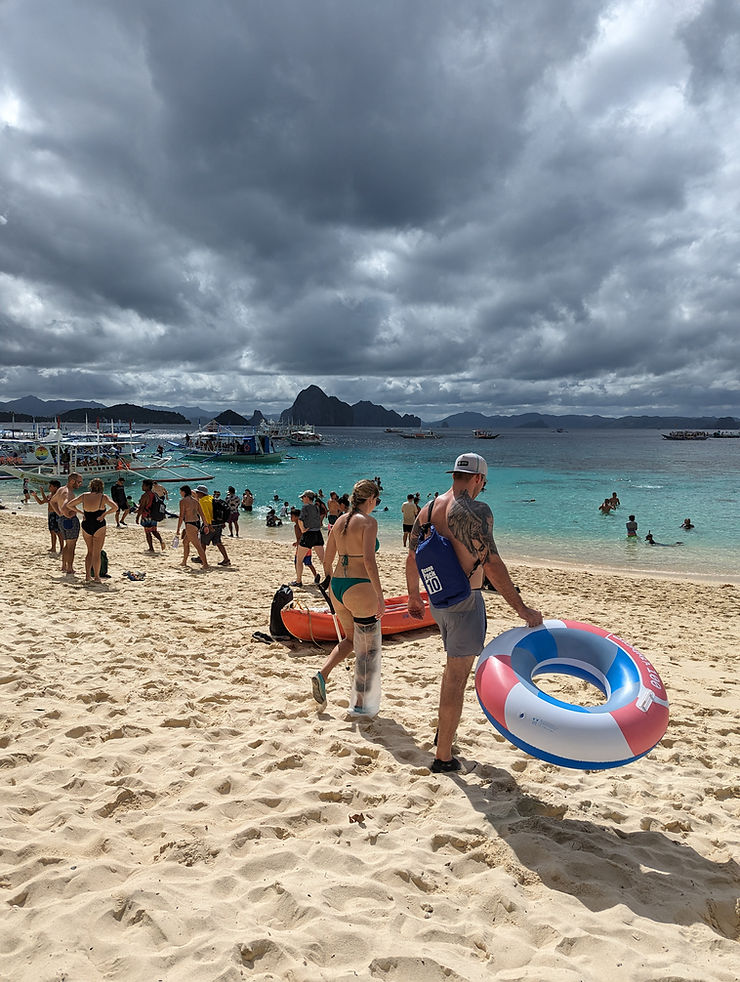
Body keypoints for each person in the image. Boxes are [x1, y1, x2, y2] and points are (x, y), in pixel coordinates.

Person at [406, 453, 543, 773]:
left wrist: (415, 597)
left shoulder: (427, 509)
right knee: (455, 678)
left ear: (454, 475)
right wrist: (521, 609)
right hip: (465, 603)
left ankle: (445, 732)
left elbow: (412, 558)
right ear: (478, 479)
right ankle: (443, 757)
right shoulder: (474, 510)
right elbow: (492, 564)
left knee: (453, 672)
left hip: (438, 601)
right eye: (484, 482)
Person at [311, 480, 384, 707]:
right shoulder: (369, 523)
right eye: (376, 500)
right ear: (370, 499)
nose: (376, 505)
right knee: (367, 650)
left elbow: (328, 559)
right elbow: (369, 562)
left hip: (338, 587)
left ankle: (322, 674)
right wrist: (380, 596)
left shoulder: (339, 521)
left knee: (351, 640)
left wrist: (330, 578)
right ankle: (361, 704)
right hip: (360, 587)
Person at [67, 478, 118, 584]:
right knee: (97, 553)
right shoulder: (103, 497)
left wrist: (81, 512)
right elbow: (115, 507)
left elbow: (69, 505)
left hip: (86, 524)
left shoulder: (84, 496)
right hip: (98, 524)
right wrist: (104, 515)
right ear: (102, 487)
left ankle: (87, 576)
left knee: (89, 552)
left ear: (91, 486)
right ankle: (97, 577)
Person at [51, 472, 84, 574]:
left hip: (62, 520)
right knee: (71, 546)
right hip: (69, 520)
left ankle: (64, 566)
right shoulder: (68, 492)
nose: (80, 484)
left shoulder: (61, 490)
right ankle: (69, 567)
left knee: (67, 544)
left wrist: (59, 513)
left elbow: (52, 501)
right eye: (79, 482)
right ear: (72, 481)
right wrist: (79, 512)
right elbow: (66, 506)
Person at [193, 485, 231, 566]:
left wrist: (208, 525)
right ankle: (226, 559)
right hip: (218, 523)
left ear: (201, 493)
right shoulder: (211, 498)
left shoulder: (202, 501)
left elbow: (206, 514)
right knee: (218, 542)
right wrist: (223, 522)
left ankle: (201, 558)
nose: (196, 493)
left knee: (202, 542)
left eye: (197, 492)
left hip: (210, 524)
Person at [294, 490, 325, 585]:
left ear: (307, 497)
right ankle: (330, 578)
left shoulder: (305, 507)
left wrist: (303, 530)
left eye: (303, 498)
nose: (302, 500)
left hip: (308, 535)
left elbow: (300, 520)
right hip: (318, 534)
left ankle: (298, 581)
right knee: (324, 560)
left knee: (299, 560)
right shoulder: (316, 507)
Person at [175, 485, 209, 570]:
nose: (180, 493)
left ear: (184, 492)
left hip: (190, 524)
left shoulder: (183, 501)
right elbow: (202, 514)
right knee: (185, 542)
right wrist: (205, 525)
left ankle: (205, 564)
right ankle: (184, 561)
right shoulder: (196, 501)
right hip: (197, 523)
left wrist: (178, 529)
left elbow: (181, 516)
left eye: (181, 491)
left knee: (197, 545)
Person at [33, 480, 63, 553]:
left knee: (58, 532)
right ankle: (53, 547)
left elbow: (48, 501)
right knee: (52, 531)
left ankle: (62, 549)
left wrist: (42, 491)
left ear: (55, 487)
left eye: (50, 486)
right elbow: (41, 502)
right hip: (50, 514)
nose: (49, 487)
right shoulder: (50, 494)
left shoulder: (58, 495)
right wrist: (35, 496)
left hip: (56, 514)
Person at [136, 479, 166, 552]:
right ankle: (161, 541)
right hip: (153, 515)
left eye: (143, 485)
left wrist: (137, 517)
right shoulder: (154, 494)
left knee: (148, 532)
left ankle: (151, 548)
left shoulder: (145, 495)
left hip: (146, 516)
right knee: (154, 531)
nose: (142, 487)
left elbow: (141, 507)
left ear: (147, 486)